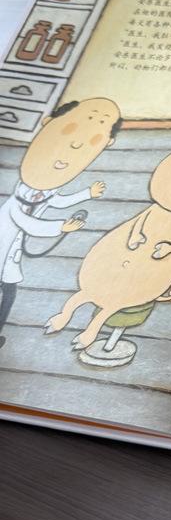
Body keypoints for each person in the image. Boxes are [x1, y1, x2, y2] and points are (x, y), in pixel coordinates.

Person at [0, 97, 122, 348]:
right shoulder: (22, 191)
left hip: (11, 254)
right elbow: (25, 222)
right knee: (7, 289)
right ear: (48, 124)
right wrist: (58, 227)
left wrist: (86, 194)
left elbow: (57, 201)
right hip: (4, 246)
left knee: (9, 291)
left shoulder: (44, 188)